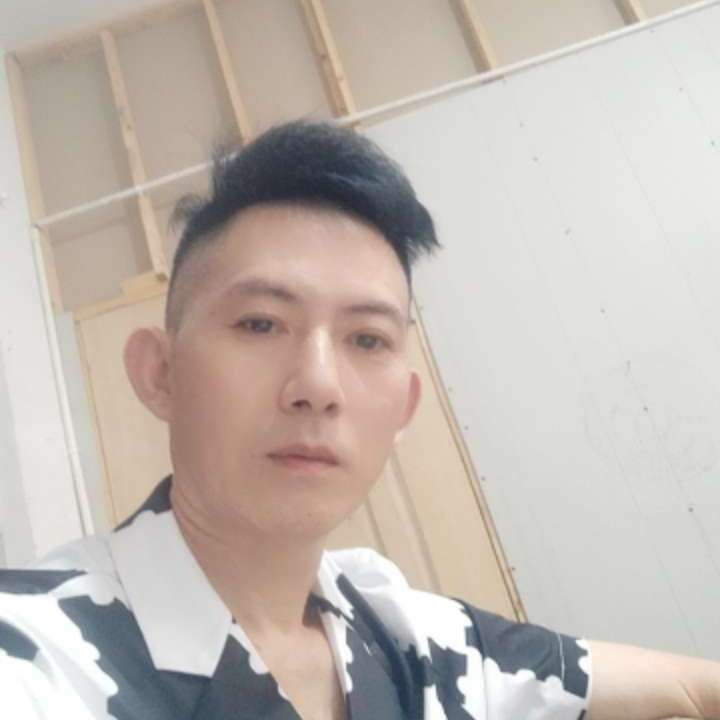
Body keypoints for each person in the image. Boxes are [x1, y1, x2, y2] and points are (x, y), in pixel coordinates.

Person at [0, 120, 718, 720]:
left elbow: (692, 689)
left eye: (367, 339)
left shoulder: (416, 641)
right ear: (160, 373)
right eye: (260, 323)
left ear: (403, 407)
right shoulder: (36, 656)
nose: (318, 385)